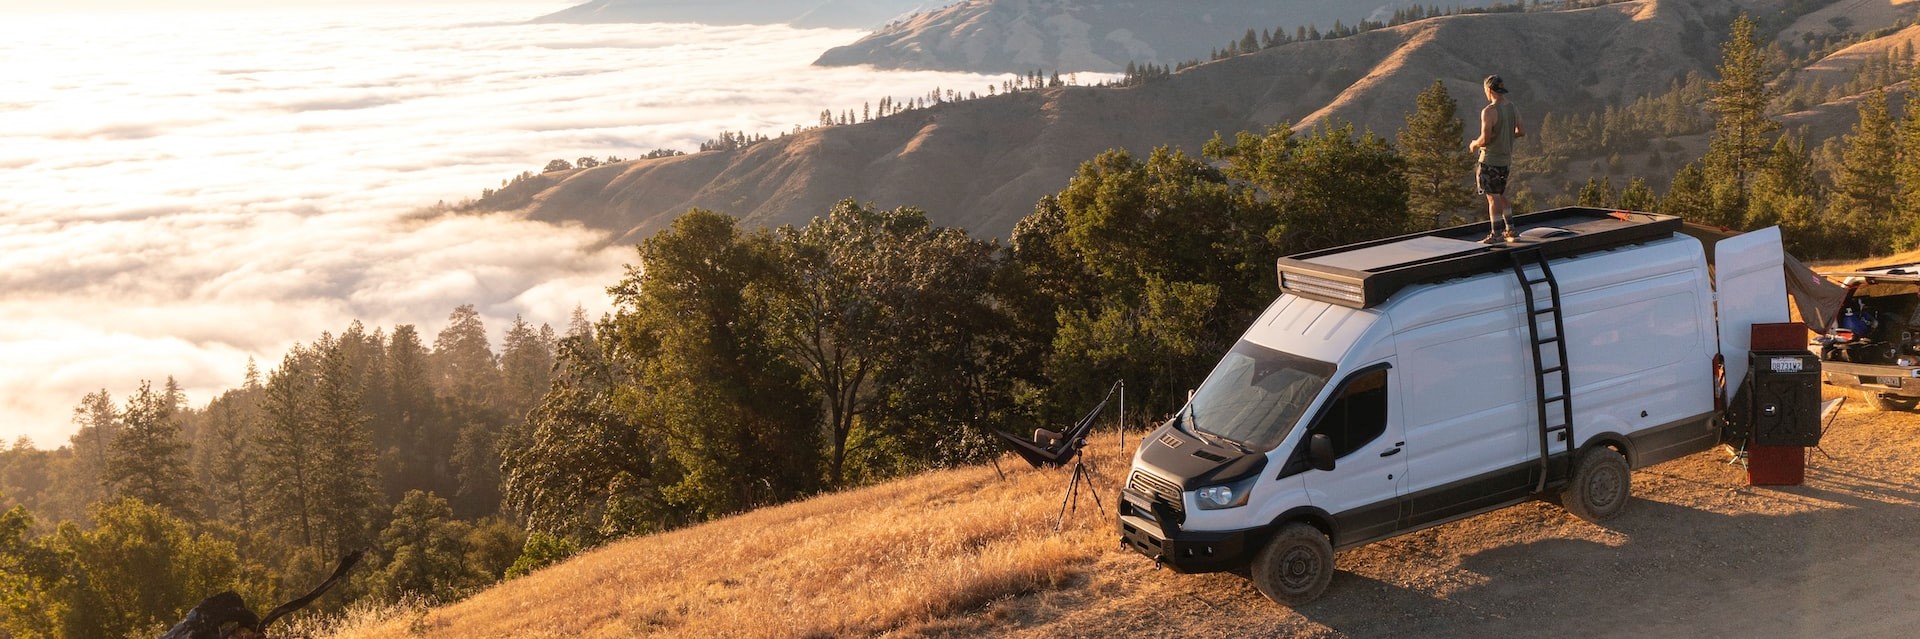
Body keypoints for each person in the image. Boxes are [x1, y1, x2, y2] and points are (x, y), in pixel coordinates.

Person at [1468, 74, 1524, 243]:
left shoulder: (1489, 111)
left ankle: (1496, 234)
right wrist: (1505, 137)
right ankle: (1511, 229)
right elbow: (1521, 131)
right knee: (1500, 194)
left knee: (1492, 197)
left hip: (1490, 160)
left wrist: (1474, 144)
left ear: (1489, 90)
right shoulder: (1512, 107)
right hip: (1505, 161)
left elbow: (1485, 139)